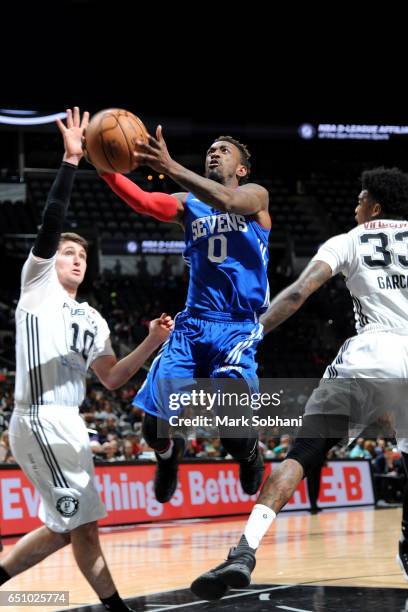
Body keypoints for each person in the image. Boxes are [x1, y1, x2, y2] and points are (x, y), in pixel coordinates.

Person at [190, 166, 408, 599]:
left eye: (361, 200)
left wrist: (251, 336)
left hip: (370, 354)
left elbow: (296, 294)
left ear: (375, 207)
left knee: (302, 453)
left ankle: (244, 552)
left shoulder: (348, 240)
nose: (355, 206)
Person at [0, 108, 173, 612]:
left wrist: (150, 342)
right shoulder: (36, 287)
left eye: (83, 255)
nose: (76, 257)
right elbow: (52, 225)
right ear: (48, 261)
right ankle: (117, 609)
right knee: (83, 525)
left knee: (61, 528)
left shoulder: (94, 319)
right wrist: (72, 161)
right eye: (67, 253)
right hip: (39, 418)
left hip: (69, 426)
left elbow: (114, 378)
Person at [99, 127, 271, 503]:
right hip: (193, 324)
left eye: (223, 151)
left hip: (237, 327)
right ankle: (167, 457)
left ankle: (251, 453)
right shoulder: (187, 203)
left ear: (241, 169)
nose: (214, 153)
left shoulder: (255, 196)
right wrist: (104, 167)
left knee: (233, 436)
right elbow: (144, 201)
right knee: (154, 429)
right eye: (210, 150)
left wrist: (169, 164)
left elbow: (227, 200)